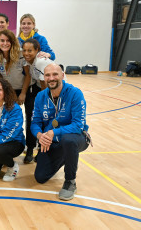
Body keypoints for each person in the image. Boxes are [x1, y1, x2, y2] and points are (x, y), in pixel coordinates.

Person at [31, 64, 90, 201]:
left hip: (77, 138)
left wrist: (53, 132)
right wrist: (40, 136)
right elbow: (35, 123)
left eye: (55, 74)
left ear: (62, 75)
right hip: (52, 141)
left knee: (68, 141)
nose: (51, 78)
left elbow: (77, 125)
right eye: (47, 75)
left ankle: (70, 181)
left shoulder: (75, 93)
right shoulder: (40, 96)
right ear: (44, 78)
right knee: (40, 177)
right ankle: (68, 155)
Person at [0, 30, 37, 164]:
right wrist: (7, 93)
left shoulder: (20, 56)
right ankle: (9, 146)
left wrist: (22, 93)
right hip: (9, 91)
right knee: (8, 119)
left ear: (12, 42)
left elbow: (28, 75)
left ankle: (30, 149)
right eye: (2, 41)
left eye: (7, 41)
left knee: (30, 118)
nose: (5, 43)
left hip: (26, 90)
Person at [22, 38, 54, 162]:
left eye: (30, 50)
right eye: (24, 50)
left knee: (44, 117)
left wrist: (42, 105)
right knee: (31, 117)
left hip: (51, 90)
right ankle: (30, 147)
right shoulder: (27, 61)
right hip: (39, 88)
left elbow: (45, 86)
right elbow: (30, 76)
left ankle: (42, 149)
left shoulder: (40, 62)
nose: (26, 53)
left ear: (37, 50)